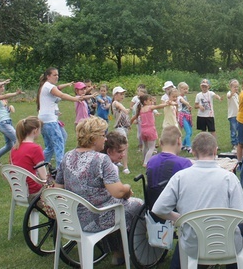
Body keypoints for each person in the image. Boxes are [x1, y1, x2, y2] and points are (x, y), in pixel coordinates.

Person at [152, 132, 243, 269]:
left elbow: (158, 209)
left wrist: (180, 218)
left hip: (194, 245)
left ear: (193, 151)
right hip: (226, 244)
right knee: (235, 230)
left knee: (191, 234)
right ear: (215, 151)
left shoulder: (180, 177)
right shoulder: (229, 178)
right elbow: (242, 215)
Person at [55, 116, 142, 266]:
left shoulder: (67, 156)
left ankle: (118, 252)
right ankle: (126, 252)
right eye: (103, 134)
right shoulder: (101, 159)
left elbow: (58, 189)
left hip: (70, 219)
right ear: (93, 137)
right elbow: (118, 192)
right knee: (137, 205)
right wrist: (127, 189)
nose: (105, 138)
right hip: (94, 219)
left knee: (115, 207)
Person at [37, 67, 85, 168]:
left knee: (57, 141)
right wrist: (74, 99)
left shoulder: (48, 86)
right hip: (49, 121)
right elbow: (62, 95)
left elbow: (56, 95)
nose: (57, 77)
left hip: (48, 119)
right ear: (48, 76)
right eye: (54, 75)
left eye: (58, 75)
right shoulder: (48, 86)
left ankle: (39, 167)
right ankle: (60, 170)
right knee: (59, 144)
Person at [10, 116, 49, 202]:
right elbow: (44, 178)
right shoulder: (35, 148)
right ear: (35, 130)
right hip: (34, 193)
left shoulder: (15, 148)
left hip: (18, 190)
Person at [0, 82, 24, 168]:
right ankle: (16, 164)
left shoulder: (2, 99)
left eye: (3, 86)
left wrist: (9, 109)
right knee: (18, 140)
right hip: (3, 124)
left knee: (9, 145)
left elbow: (2, 110)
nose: (3, 88)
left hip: (7, 122)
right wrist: (16, 93)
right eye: (0, 86)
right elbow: (5, 96)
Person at [131, 93, 167, 167]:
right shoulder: (149, 107)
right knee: (151, 147)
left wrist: (129, 124)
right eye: (150, 100)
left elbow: (133, 118)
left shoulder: (140, 110)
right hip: (150, 130)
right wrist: (167, 104)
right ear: (145, 102)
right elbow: (159, 106)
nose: (151, 102)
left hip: (143, 131)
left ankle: (144, 159)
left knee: (145, 146)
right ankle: (146, 162)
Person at [177, 82, 193, 152]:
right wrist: (187, 104)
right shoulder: (179, 97)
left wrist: (189, 109)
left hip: (187, 115)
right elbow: (183, 101)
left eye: (187, 89)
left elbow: (186, 106)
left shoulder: (185, 97)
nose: (186, 90)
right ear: (180, 89)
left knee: (190, 132)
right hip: (182, 116)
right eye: (184, 89)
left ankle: (183, 145)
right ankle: (189, 147)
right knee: (188, 132)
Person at [226, 79, 240, 152]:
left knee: (238, 129)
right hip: (232, 115)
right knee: (233, 130)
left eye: (237, 87)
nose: (236, 88)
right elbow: (229, 96)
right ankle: (234, 143)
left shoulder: (237, 95)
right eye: (234, 87)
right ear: (230, 87)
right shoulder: (229, 93)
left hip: (238, 115)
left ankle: (238, 143)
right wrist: (232, 93)